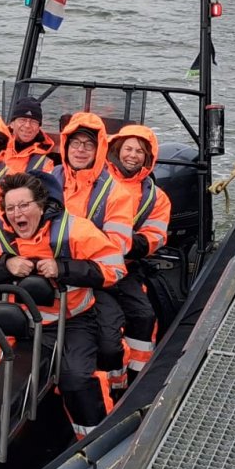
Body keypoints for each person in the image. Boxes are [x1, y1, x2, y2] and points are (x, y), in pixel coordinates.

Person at [0, 171, 125, 437]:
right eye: (10, 208)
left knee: (77, 379)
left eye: (24, 205)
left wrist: (63, 268)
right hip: (17, 323)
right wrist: (5, 265)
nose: (17, 213)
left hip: (72, 320)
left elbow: (115, 269)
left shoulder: (76, 230)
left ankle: (95, 440)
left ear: (41, 206)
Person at [56, 111, 138, 385]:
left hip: (97, 281)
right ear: (65, 146)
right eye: (75, 143)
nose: (80, 150)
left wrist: (69, 260)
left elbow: (117, 246)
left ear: (99, 149)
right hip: (46, 275)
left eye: (88, 145)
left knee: (108, 344)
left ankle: (115, 387)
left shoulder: (117, 193)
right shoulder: (45, 181)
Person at [106, 125, 170, 386]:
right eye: (128, 149)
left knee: (143, 315)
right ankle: (112, 379)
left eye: (139, 151)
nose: (132, 155)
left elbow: (156, 236)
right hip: (87, 265)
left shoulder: (156, 198)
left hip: (126, 266)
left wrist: (122, 244)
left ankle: (135, 381)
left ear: (148, 157)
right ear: (116, 150)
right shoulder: (97, 181)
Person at [5, 96, 56, 175]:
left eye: (33, 122)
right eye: (22, 120)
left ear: (38, 129)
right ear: (12, 124)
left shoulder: (45, 164)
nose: (27, 125)